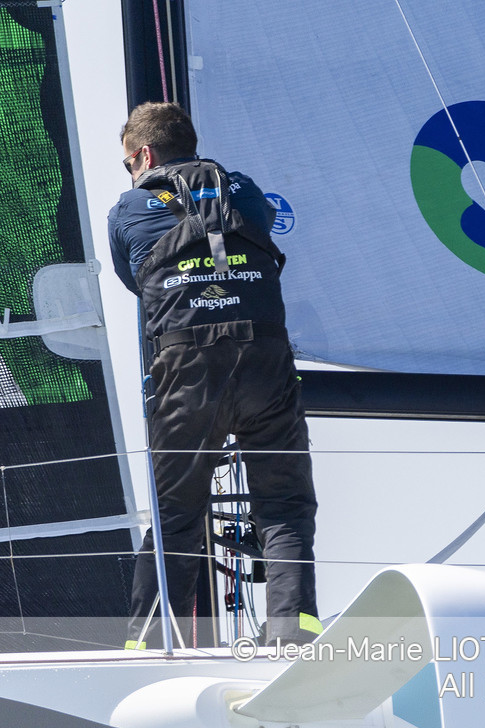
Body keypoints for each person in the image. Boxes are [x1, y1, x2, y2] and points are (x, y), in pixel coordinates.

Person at [108, 102, 319, 647]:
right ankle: (293, 636)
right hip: (266, 362)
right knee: (285, 507)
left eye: (128, 162)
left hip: (187, 368)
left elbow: (139, 281)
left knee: (176, 516)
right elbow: (261, 222)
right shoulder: (242, 190)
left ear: (144, 155)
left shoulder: (129, 207)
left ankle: (150, 649)